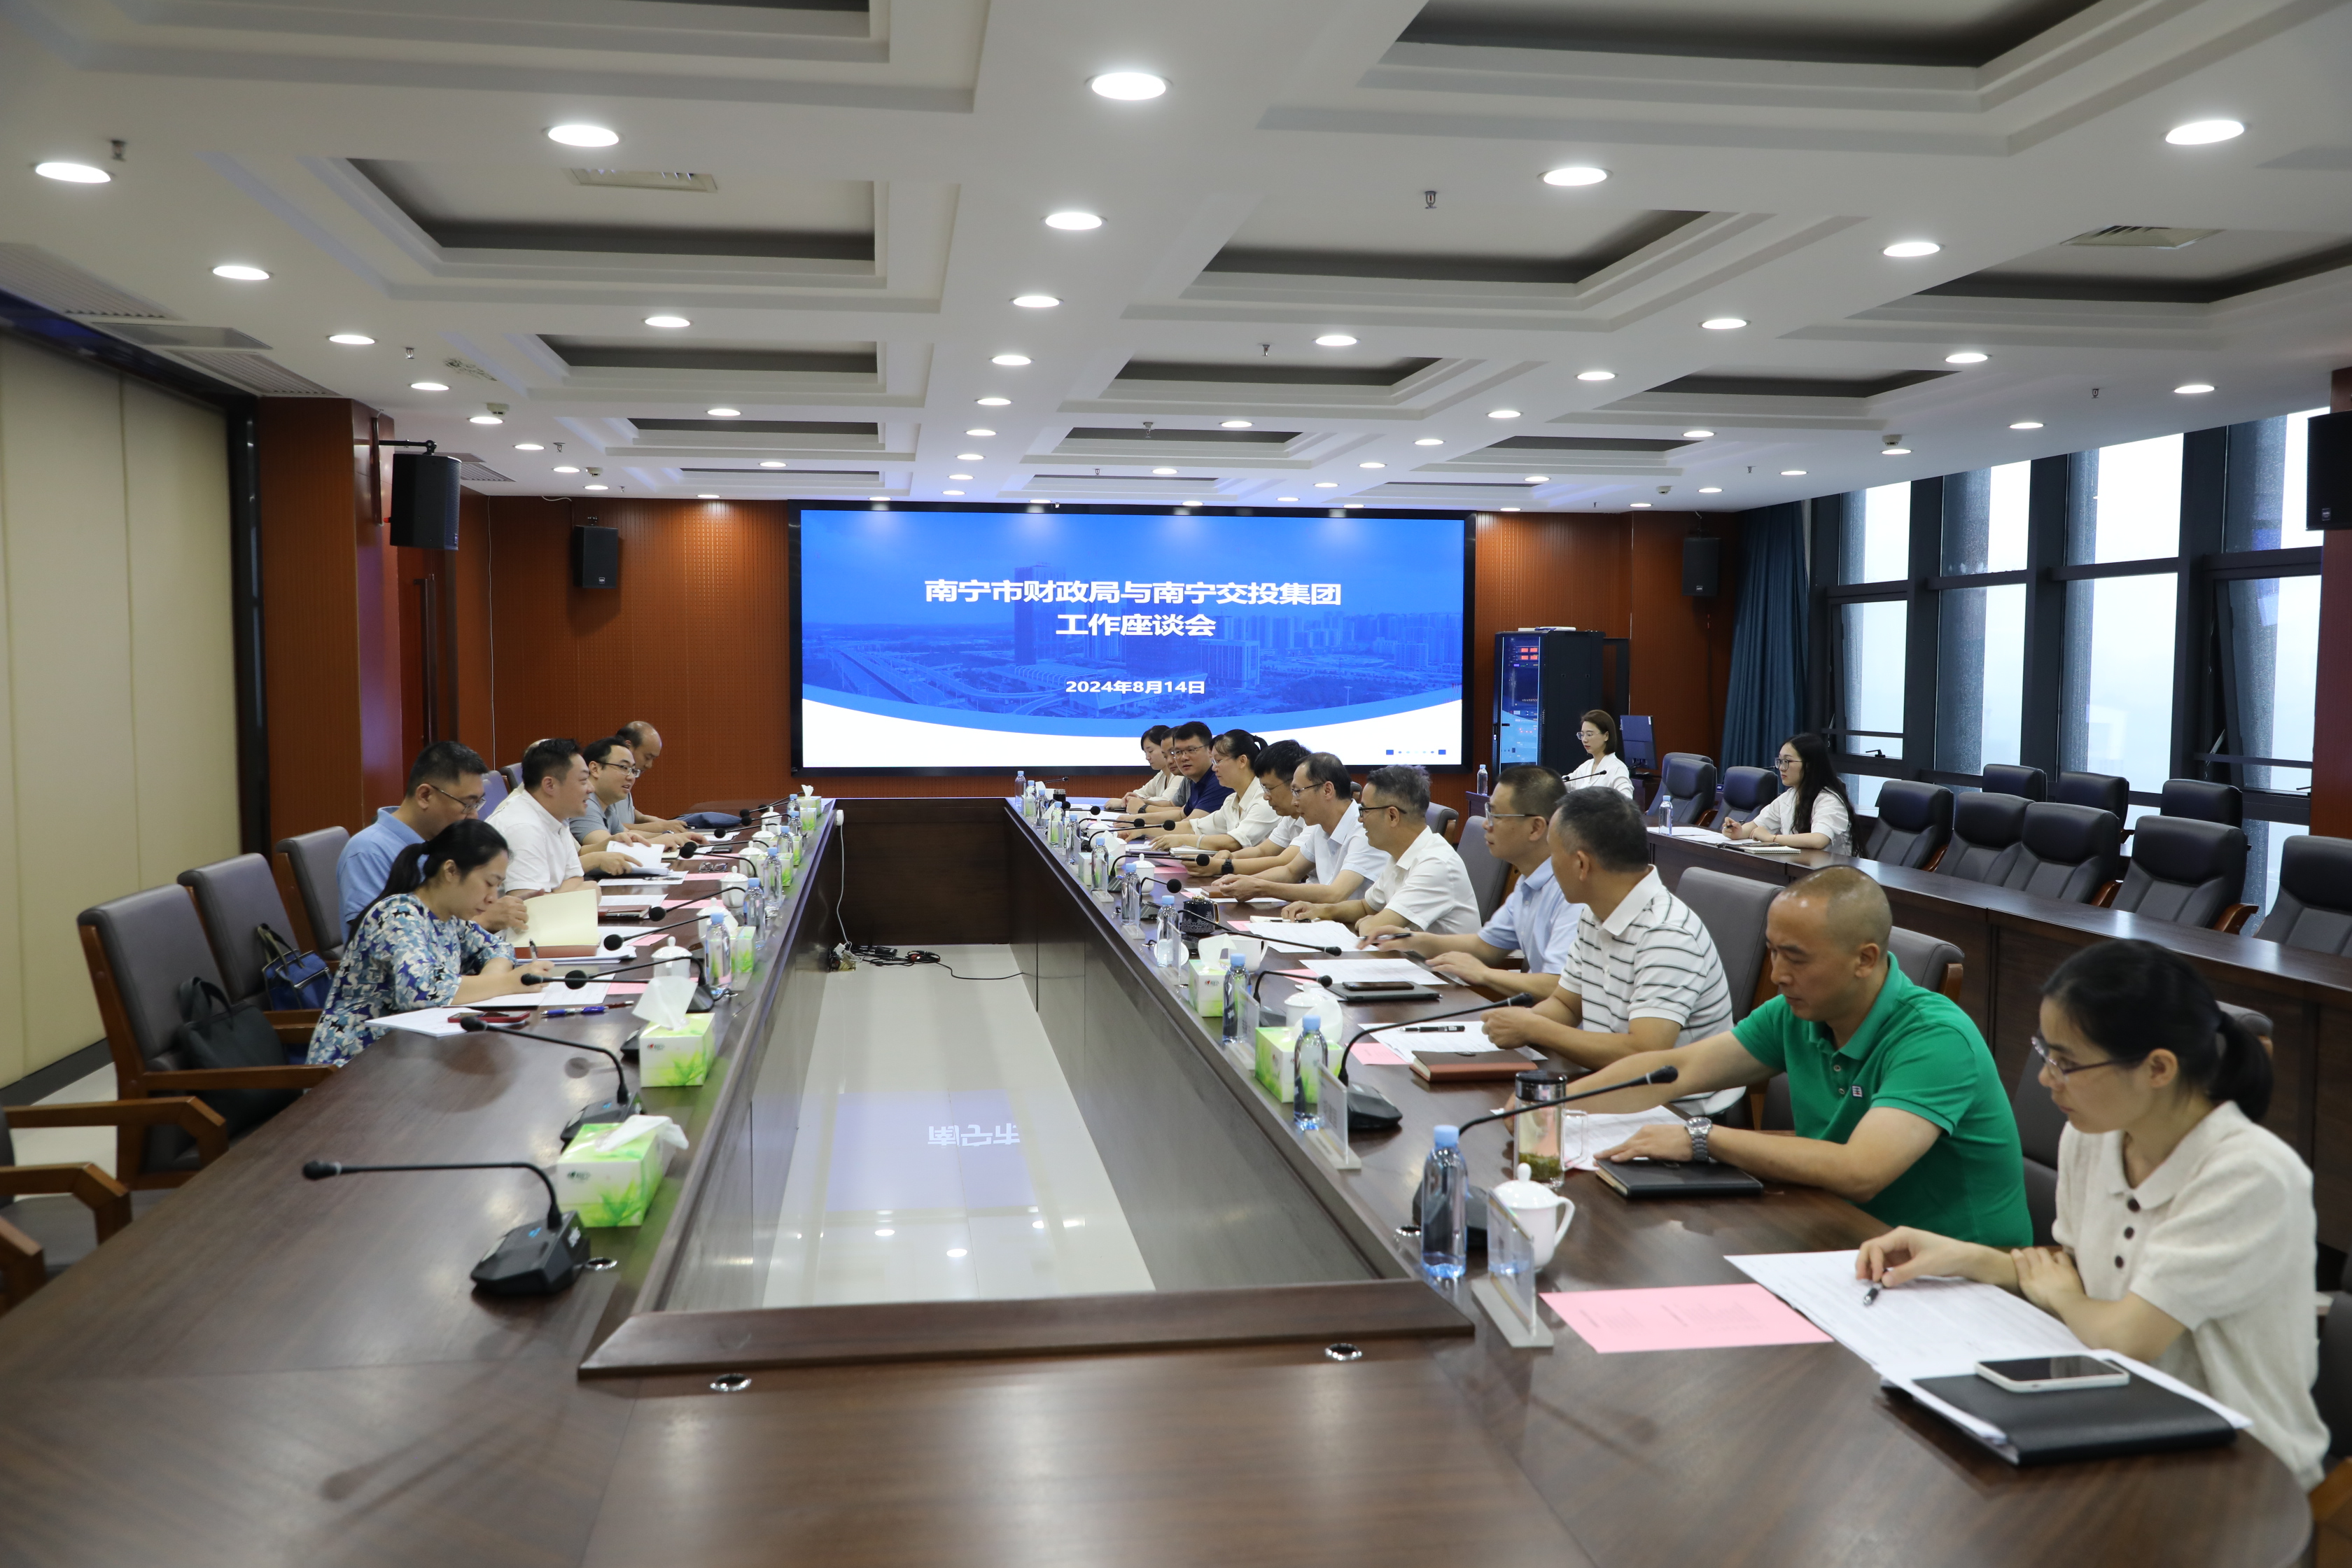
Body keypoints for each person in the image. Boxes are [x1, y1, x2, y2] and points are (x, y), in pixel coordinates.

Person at [1857, 940, 2327, 1490]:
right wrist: (1963, 1258)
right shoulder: (2093, 1136)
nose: (2045, 1078)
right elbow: (2075, 1274)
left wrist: (2065, 1297)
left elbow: (2125, 1335)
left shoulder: (2249, 1173)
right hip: (2114, 1414)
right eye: (2045, 1053)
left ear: (2157, 1068)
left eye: (2067, 1063)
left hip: (2237, 1464)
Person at [1568, 866, 2031, 1249]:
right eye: (1772, 952)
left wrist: (1702, 1138)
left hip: (1959, 1275)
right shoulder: (1796, 1014)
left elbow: (1861, 1171)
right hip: (1845, 1237)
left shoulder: (1935, 1037)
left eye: (1796, 958)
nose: (1777, 975)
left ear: (1865, 960)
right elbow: (1677, 1071)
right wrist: (1552, 1106)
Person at [1481, 790, 1736, 1110]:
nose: (1549, 865)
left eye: (1552, 854)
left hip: (1674, 1113)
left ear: (1581, 864)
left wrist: (1536, 1028)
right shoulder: (1595, 912)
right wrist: (1519, 1024)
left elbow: (1644, 1054)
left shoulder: (1667, 933)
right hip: (1610, 1087)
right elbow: (1566, 1004)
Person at [306, 820, 553, 1067]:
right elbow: (420, 990)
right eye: (489, 883)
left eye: (499, 886)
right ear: (451, 871)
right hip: (353, 1063)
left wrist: (493, 981)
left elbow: (498, 948)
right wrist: (506, 983)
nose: (493, 898)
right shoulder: (399, 915)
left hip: (409, 1055)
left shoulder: (450, 918)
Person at [1371, 764, 1573, 1000]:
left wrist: (1485, 975)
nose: (1487, 824)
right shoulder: (1528, 883)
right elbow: (1485, 947)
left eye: (1496, 816)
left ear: (1536, 827)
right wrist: (1412, 940)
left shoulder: (1571, 892)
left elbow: (1563, 987)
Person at [337, 741, 526, 940]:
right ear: (425, 795)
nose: (474, 815)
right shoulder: (368, 851)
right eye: (467, 804)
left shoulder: (445, 842)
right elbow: (378, 940)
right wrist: (484, 921)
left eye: (477, 804)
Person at [1284, 764, 1479, 939]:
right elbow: (1365, 907)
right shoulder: (1399, 855)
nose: (1360, 819)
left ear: (1392, 816)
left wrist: (1368, 922)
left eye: (1365, 810)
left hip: (1437, 969)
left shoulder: (1435, 863)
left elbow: (1374, 928)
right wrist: (1319, 910)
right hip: (1407, 961)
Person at [1214, 752, 1388, 907]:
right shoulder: (1320, 827)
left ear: (1327, 790)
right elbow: (1290, 872)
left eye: (1298, 791)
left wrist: (1259, 887)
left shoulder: (1365, 830)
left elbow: (1335, 894)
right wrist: (1241, 881)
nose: (1294, 802)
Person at [484, 737, 634, 894]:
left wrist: (569, 892)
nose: (591, 788)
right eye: (584, 780)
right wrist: (584, 892)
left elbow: (576, 878)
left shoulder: (557, 817)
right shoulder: (523, 828)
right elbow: (529, 904)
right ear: (550, 785)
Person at [1192, 740, 1311, 881]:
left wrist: (1224, 866)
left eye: (1269, 788)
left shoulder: (1315, 819)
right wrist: (1231, 856)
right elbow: (1263, 851)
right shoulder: (1290, 817)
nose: (1266, 796)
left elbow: (1284, 862)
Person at [1148, 731, 1279, 853]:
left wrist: (1183, 839)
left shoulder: (1265, 798)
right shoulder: (1231, 801)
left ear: (1242, 761)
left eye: (1218, 761)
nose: (1214, 768)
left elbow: (1235, 842)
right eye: (1213, 762)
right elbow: (1193, 827)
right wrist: (1142, 830)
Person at [1721, 732, 1852, 854]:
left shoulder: (1829, 800)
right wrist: (1738, 832)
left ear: (1809, 765)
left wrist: (1772, 838)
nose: (1781, 768)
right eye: (1780, 761)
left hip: (1832, 869)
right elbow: (1757, 825)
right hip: (1800, 864)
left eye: (1787, 761)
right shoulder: (1789, 797)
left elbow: (1819, 840)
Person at [1123, 721, 1225, 829]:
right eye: (1178, 752)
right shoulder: (1195, 780)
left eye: (1191, 750)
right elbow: (1181, 814)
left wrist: (1141, 824)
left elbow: (1189, 826)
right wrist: (1132, 820)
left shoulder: (1218, 780)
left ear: (1210, 751)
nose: (1183, 757)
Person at [569, 736, 659, 854]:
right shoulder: (585, 804)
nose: (631, 777)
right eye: (624, 767)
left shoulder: (605, 804)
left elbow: (628, 834)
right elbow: (610, 849)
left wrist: (670, 835)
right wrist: (663, 841)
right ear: (595, 769)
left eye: (633, 770)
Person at [614, 721, 700, 840]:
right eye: (647, 757)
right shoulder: (605, 781)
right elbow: (609, 827)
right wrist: (660, 828)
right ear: (628, 747)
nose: (649, 765)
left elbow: (628, 812)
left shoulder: (626, 778)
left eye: (653, 759)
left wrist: (657, 821)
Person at [1564, 710, 1635, 799]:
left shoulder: (1617, 768)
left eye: (1589, 734)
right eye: (1582, 735)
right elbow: (1563, 784)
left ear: (1606, 736)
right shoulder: (1586, 766)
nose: (1584, 740)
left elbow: (1626, 802)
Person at [1121, 726, 1182, 811]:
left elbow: (1169, 802)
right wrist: (1131, 800)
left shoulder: (1181, 774)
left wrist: (1137, 803)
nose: (1147, 757)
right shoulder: (1161, 774)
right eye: (1145, 753)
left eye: (1150, 751)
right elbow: (1139, 793)